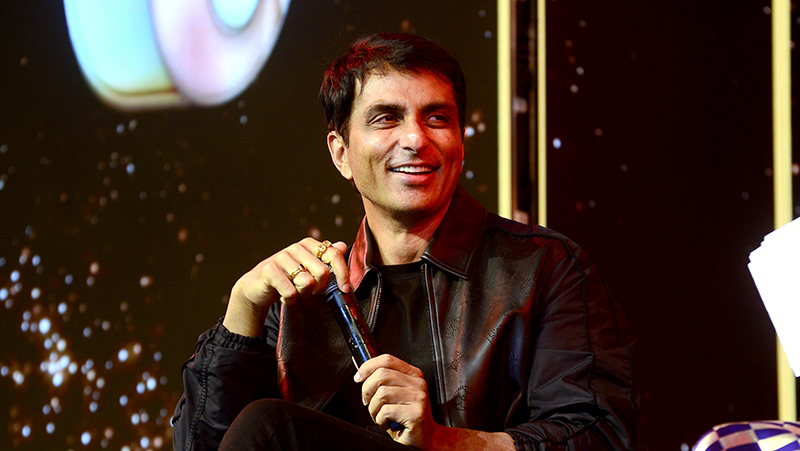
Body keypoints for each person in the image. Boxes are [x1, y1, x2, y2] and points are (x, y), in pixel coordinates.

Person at [171, 33, 637, 451]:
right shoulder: (299, 301)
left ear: (460, 143)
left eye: (437, 118)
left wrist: (444, 441)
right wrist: (242, 310)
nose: (415, 138)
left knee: (273, 427)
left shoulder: (545, 267)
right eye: (386, 118)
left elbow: (599, 435)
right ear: (341, 153)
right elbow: (203, 445)